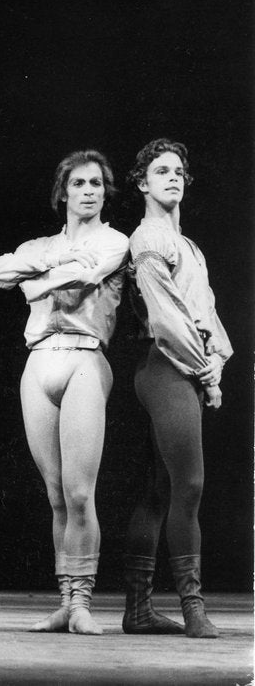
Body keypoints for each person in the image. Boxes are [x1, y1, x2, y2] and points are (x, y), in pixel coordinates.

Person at [0, 150, 128, 635]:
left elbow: (84, 276)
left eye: (96, 183)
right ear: (63, 192)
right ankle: (65, 603)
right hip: (39, 361)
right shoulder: (40, 244)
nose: (89, 191)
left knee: (79, 491)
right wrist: (56, 259)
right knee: (55, 495)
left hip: (84, 358)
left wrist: (35, 283)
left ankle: (83, 601)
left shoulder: (114, 240)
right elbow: (0, 271)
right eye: (79, 183)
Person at [120, 138, 231, 639]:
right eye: (161, 171)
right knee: (190, 485)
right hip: (166, 367)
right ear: (142, 183)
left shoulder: (188, 246)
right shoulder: (148, 238)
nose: (173, 178)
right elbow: (166, 318)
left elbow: (206, 312)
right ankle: (192, 606)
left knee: (158, 490)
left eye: (179, 172)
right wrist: (204, 371)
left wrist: (215, 363)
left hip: (183, 367)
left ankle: (138, 610)